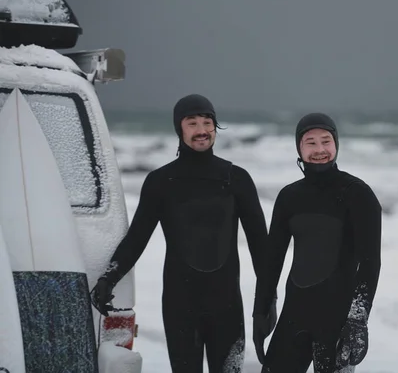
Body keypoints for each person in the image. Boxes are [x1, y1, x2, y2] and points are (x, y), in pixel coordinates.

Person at [90, 94, 277, 372]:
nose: (202, 130)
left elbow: (260, 247)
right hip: (180, 306)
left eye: (207, 122)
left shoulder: (237, 179)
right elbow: (137, 238)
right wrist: (109, 277)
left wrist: (266, 301)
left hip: (226, 306)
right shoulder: (161, 182)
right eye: (192, 123)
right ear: (180, 128)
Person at [252, 112, 382, 373]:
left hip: (337, 323)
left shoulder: (358, 193)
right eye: (310, 142)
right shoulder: (289, 197)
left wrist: (357, 320)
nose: (320, 149)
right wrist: (261, 310)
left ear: (336, 144)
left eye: (326, 141)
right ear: (299, 148)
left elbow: (370, 262)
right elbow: (272, 259)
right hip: (294, 316)